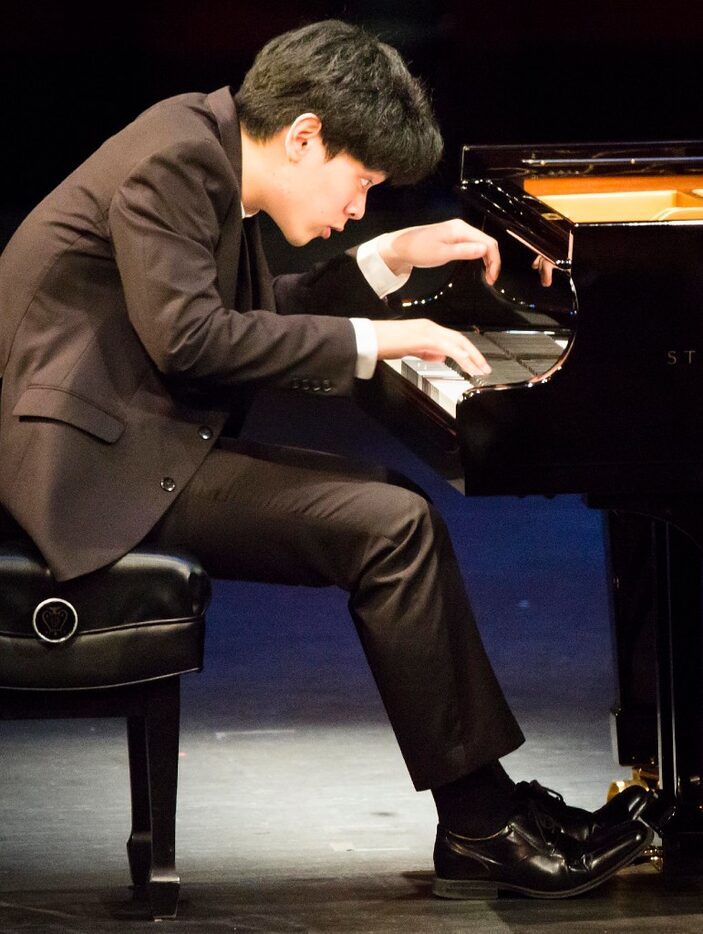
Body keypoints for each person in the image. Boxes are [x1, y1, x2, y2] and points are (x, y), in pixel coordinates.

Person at [0, 19, 651, 899]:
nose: (357, 207)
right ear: (305, 136)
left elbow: (252, 311)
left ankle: (485, 811)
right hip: (89, 470)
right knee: (389, 525)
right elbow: (193, 338)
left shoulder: (199, 143)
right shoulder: (176, 162)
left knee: (388, 512)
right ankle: (480, 821)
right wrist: (379, 337)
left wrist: (388, 257)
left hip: (129, 440)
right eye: (362, 184)